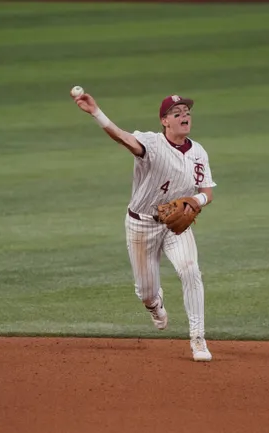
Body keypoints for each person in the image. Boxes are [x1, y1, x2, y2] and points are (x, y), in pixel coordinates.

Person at [71, 91, 216, 362]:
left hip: (175, 228)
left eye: (186, 112)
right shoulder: (151, 143)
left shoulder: (198, 152)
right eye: (177, 113)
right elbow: (121, 137)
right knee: (146, 291)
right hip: (141, 226)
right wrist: (96, 113)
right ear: (164, 121)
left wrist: (194, 201)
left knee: (190, 270)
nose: (184, 116)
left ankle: (198, 339)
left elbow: (207, 191)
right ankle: (154, 304)